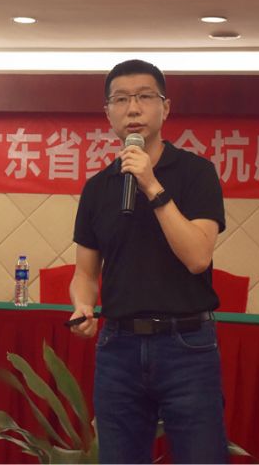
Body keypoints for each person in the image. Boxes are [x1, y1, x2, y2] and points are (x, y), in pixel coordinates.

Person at [68, 59, 228, 464]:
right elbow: (85, 272)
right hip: (117, 346)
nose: (133, 109)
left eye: (144, 97)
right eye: (121, 100)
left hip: (186, 345)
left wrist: (152, 186)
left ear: (165, 107)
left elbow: (198, 257)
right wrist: (82, 305)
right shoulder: (98, 188)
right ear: (108, 113)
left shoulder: (196, 173)